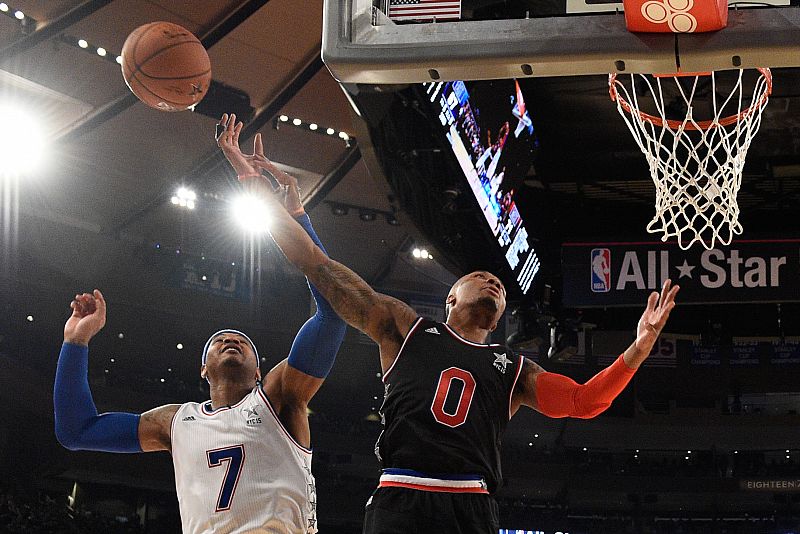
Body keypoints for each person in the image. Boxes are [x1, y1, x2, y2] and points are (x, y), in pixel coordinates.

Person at [217, 116, 680, 534]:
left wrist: (637, 350)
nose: (492, 281)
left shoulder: (515, 369)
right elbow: (318, 267)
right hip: (400, 494)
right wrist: (256, 186)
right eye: (479, 276)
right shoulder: (405, 327)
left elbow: (583, 401)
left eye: (498, 284)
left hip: (471, 504)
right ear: (451, 298)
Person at [54, 124, 347, 534]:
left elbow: (333, 312)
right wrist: (75, 342)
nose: (231, 340)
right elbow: (76, 431)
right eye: (219, 341)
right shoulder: (174, 422)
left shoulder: (280, 397)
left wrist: (295, 219)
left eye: (242, 342)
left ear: (260, 371)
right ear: (203, 368)